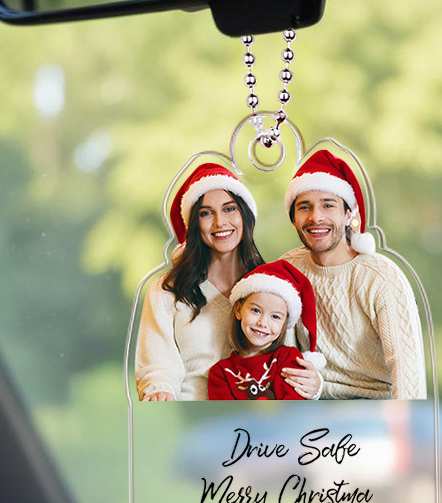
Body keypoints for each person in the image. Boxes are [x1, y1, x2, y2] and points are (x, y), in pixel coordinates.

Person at [135, 163, 320, 400]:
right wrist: (159, 390)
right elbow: (157, 366)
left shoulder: (272, 286)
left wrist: (313, 383)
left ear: (244, 215)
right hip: (194, 418)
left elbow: (292, 359)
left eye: (229, 209)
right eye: (206, 213)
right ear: (193, 224)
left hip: (261, 422)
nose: (220, 222)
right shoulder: (166, 290)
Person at [279, 149, 427, 399]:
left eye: (328, 205)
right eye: (305, 207)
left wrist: (406, 429)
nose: (316, 217)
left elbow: (407, 369)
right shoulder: (287, 269)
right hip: (308, 403)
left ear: (349, 215)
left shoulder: (380, 277)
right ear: (294, 218)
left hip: (375, 408)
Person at [208, 260, 325, 400]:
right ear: (239, 310)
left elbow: (293, 409)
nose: (262, 323)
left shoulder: (288, 359)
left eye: (275, 316)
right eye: (256, 310)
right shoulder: (221, 372)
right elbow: (224, 417)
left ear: (284, 323)